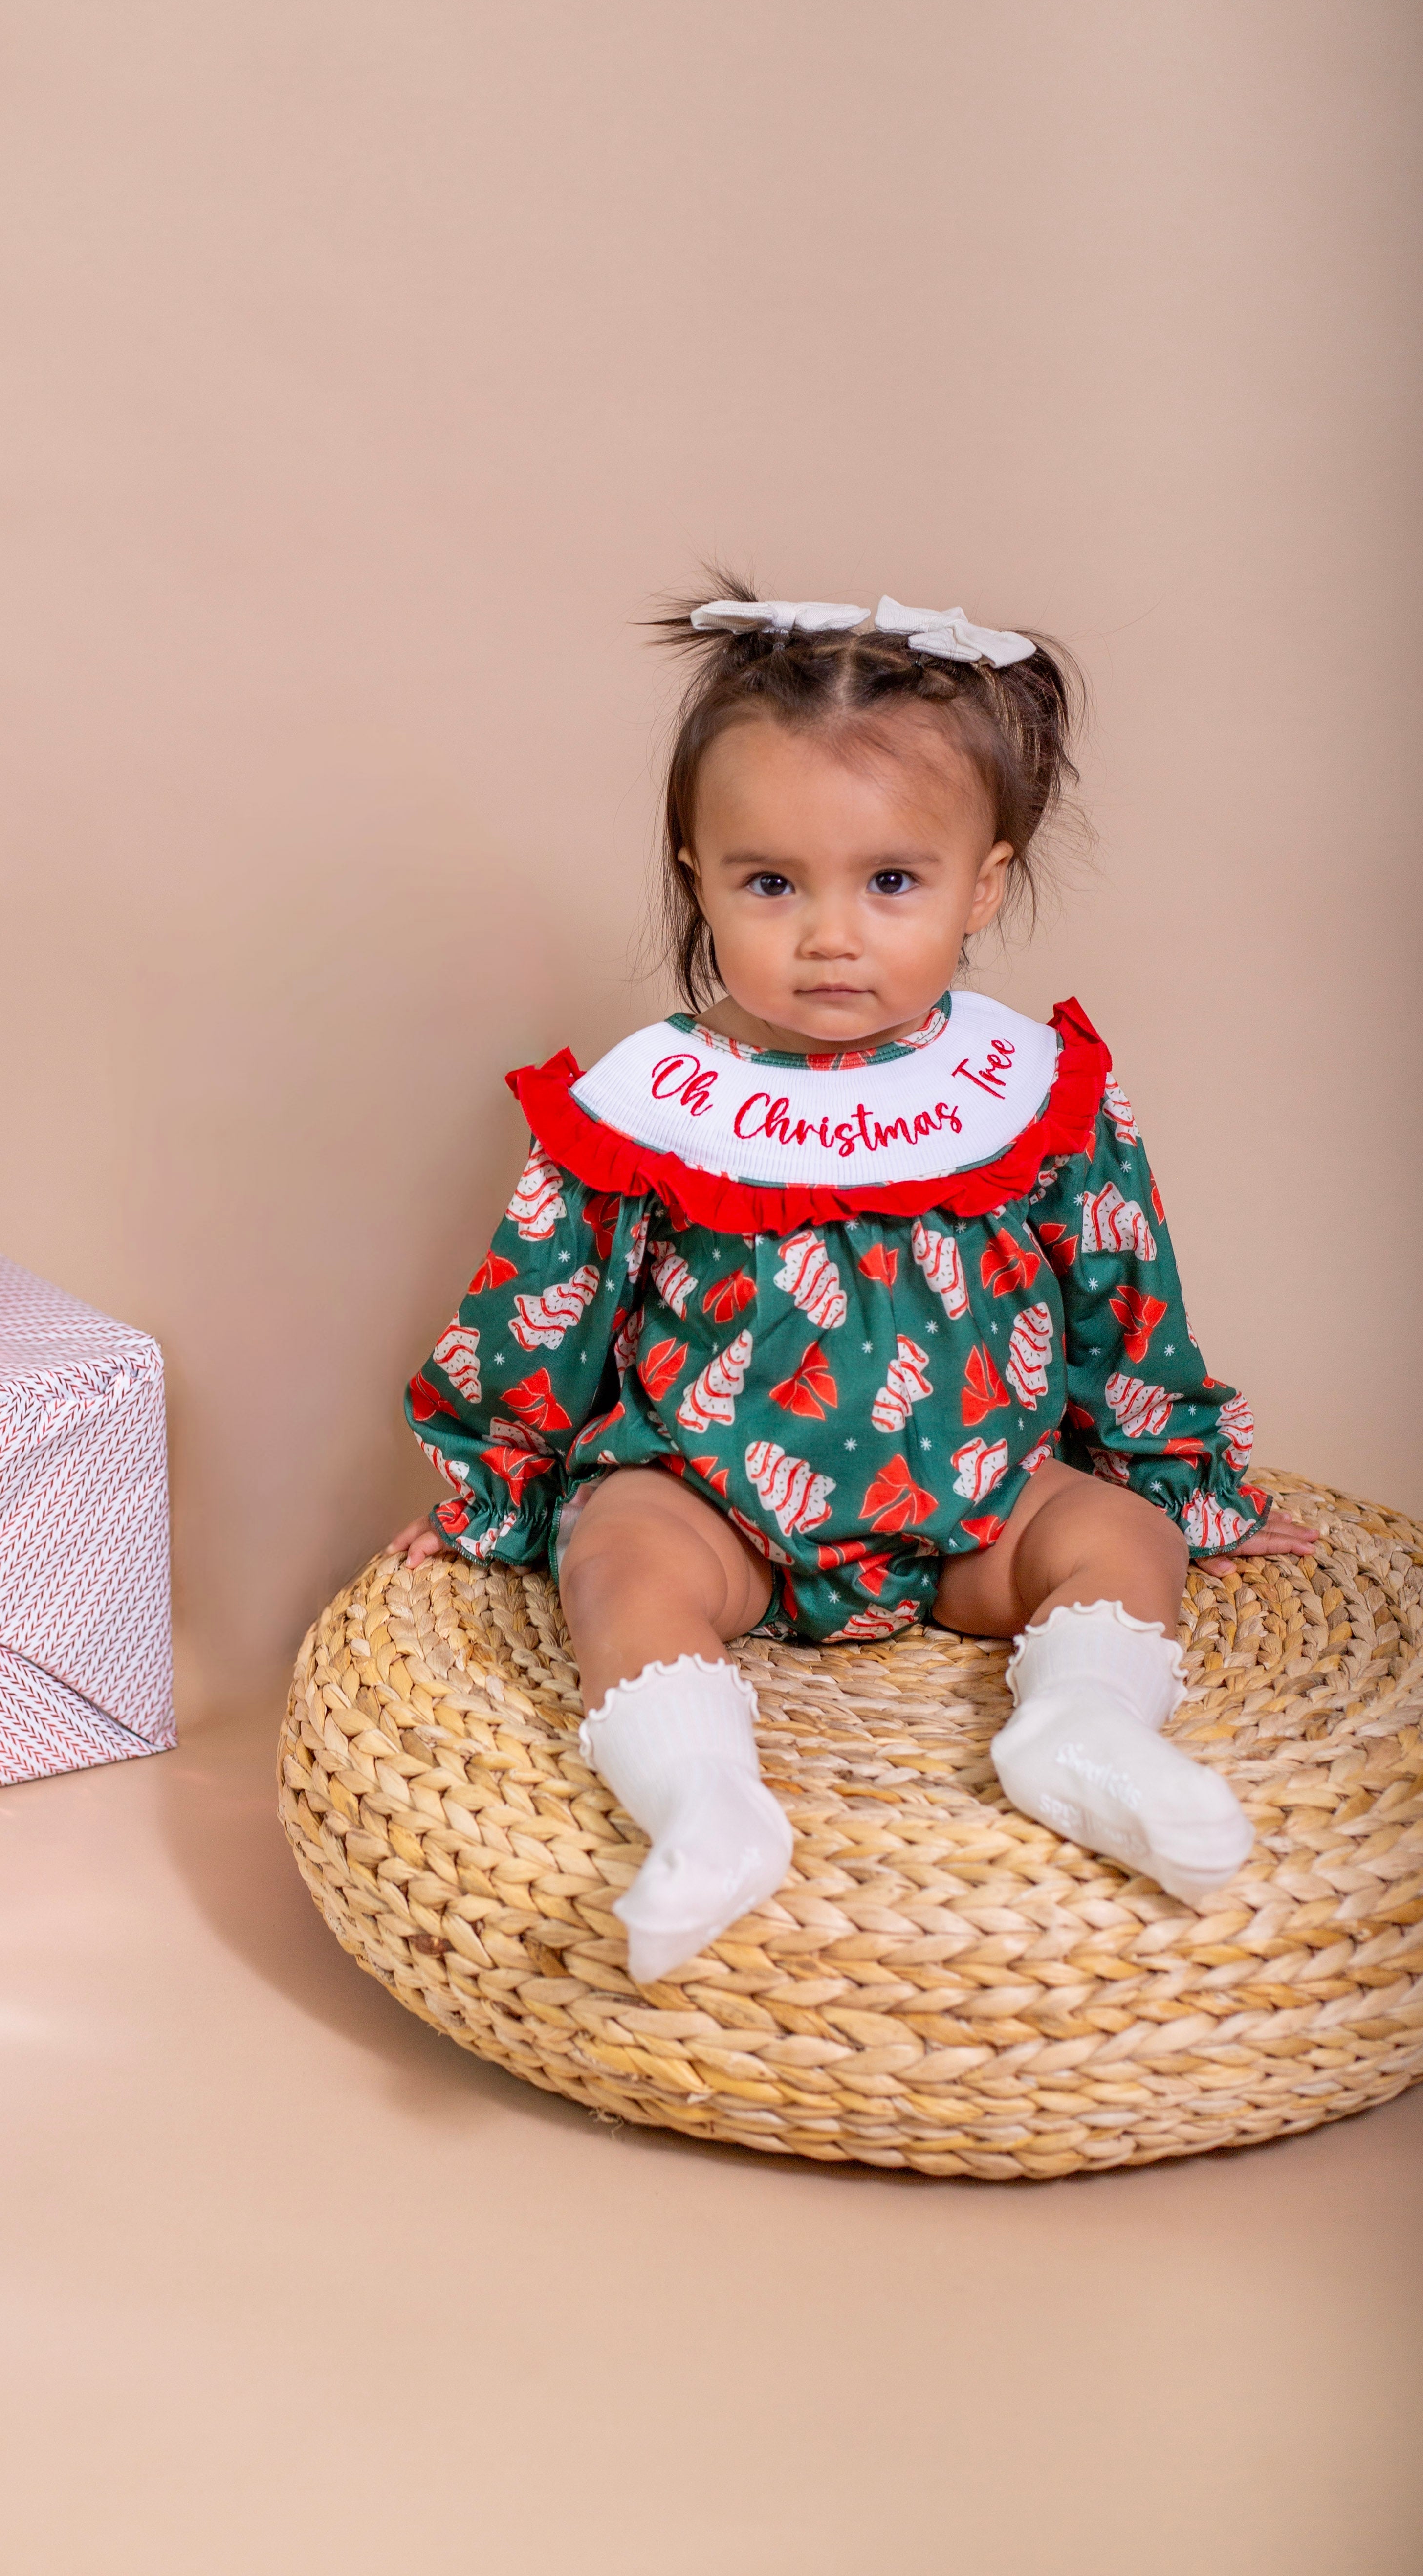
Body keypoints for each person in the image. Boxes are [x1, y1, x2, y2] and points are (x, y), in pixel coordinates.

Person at [392, 586, 1317, 1983]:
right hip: (722, 1502)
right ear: (696, 874)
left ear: (984, 885)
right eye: (772, 884)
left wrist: (1180, 1474)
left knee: (1123, 1537)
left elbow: (1123, 1294)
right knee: (619, 1551)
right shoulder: (652, 1106)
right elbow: (546, 1300)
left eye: (893, 883)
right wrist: (498, 1483)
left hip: (985, 1502)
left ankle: (1083, 1728)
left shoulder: (1026, 1094)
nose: (833, 936)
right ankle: (705, 1800)